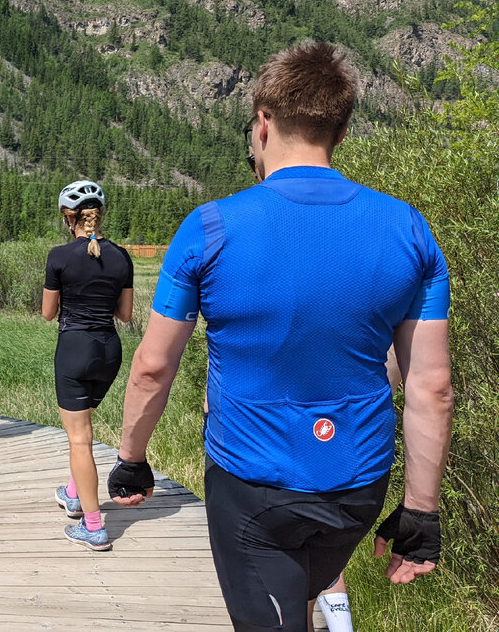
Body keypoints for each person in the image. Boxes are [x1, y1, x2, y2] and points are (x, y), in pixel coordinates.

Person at [107, 42, 453, 631]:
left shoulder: (210, 227)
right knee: (306, 600)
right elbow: (431, 386)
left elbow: (151, 368)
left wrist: (132, 460)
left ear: (262, 123)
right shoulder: (408, 229)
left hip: (252, 486)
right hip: (358, 486)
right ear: (339, 132)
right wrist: (421, 514)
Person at [43, 181, 133, 552]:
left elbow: (49, 313)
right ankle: (72, 491)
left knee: (79, 438)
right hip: (109, 352)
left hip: (75, 349)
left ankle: (93, 526)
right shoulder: (123, 257)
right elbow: (125, 315)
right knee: (83, 425)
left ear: (69, 218)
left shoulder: (59, 256)